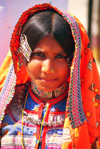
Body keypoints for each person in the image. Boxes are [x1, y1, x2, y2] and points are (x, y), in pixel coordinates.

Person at [0, 3, 100, 149]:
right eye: (39, 55)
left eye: (60, 56)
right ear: (22, 56)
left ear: (74, 60)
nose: (48, 69)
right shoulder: (6, 107)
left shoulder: (88, 113)